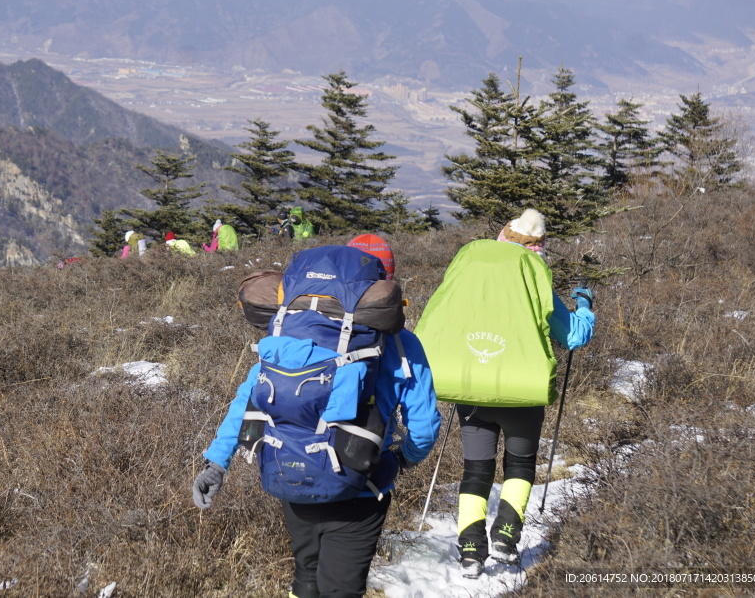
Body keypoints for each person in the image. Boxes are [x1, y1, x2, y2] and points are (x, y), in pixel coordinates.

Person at [193, 244, 442, 598]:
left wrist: (216, 464)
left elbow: (246, 403)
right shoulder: (400, 343)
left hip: (288, 470)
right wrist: (403, 460)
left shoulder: (285, 336)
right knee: (341, 589)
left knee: (306, 576)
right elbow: (426, 424)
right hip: (362, 485)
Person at [414, 208, 595, 579]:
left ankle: (469, 550)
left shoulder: (471, 271)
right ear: (538, 247)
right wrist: (585, 305)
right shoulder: (533, 277)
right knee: (519, 464)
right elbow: (574, 336)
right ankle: (506, 538)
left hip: (472, 386)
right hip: (521, 391)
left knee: (476, 469)